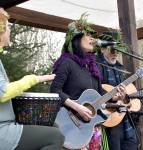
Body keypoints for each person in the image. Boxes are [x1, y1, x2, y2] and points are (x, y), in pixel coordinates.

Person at [50, 13, 127, 150]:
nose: (93, 39)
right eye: (88, 35)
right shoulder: (66, 63)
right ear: (77, 39)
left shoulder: (92, 66)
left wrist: (116, 96)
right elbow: (55, 91)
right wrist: (77, 107)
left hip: (91, 129)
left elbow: (99, 93)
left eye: (93, 36)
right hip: (69, 125)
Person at [0, 8, 64, 150]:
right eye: (8, 27)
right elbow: (3, 93)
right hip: (2, 130)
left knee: (52, 125)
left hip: (6, 123)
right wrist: (34, 79)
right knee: (56, 137)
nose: (10, 30)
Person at [96, 31, 138, 150]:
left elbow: (124, 96)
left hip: (124, 118)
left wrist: (124, 97)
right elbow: (94, 91)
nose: (115, 53)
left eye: (117, 50)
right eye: (111, 49)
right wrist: (113, 97)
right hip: (107, 118)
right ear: (102, 49)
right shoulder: (96, 66)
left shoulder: (120, 68)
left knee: (131, 144)